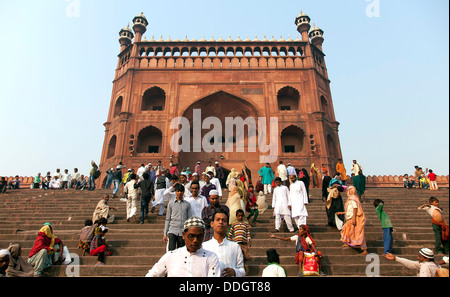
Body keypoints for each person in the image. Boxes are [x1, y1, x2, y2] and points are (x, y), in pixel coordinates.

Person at [145, 216, 221, 277]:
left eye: (199, 236)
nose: (195, 240)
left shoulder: (211, 257)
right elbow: (152, 274)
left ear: (203, 236)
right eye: (191, 236)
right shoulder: (170, 256)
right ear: (184, 235)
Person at [203, 209, 245, 277]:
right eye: (218, 220)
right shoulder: (204, 246)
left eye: (224, 220)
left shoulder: (235, 246)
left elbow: (242, 270)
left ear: (228, 226)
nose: (221, 222)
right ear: (212, 224)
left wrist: (234, 272)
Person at [337, 186, 368, 255]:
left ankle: (364, 249)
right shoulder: (352, 199)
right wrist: (341, 213)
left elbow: (355, 208)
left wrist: (354, 219)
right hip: (350, 218)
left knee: (359, 234)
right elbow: (350, 210)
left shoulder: (353, 199)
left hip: (354, 218)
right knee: (348, 231)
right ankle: (348, 243)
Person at [164, 183, 192, 251]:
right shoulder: (171, 204)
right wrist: (165, 233)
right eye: (178, 191)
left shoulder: (187, 204)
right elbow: (168, 219)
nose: (179, 193)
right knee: (171, 250)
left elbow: (189, 219)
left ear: (183, 192)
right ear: (175, 192)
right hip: (172, 230)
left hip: (183, 231)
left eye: (181, 191)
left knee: (181, 250)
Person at [227, 209, 252, 275]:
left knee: (245, 256)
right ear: (236, 216)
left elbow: (248, 233)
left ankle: (244, 268)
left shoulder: (245, 224)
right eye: (239, 216)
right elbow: (231, 232)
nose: (240, 217)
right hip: (237, 243)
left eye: (241, 216)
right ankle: (240, 269)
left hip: (244, 243)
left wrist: (249, 240)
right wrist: (229, 239)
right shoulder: (234, 223)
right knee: (239, 256)